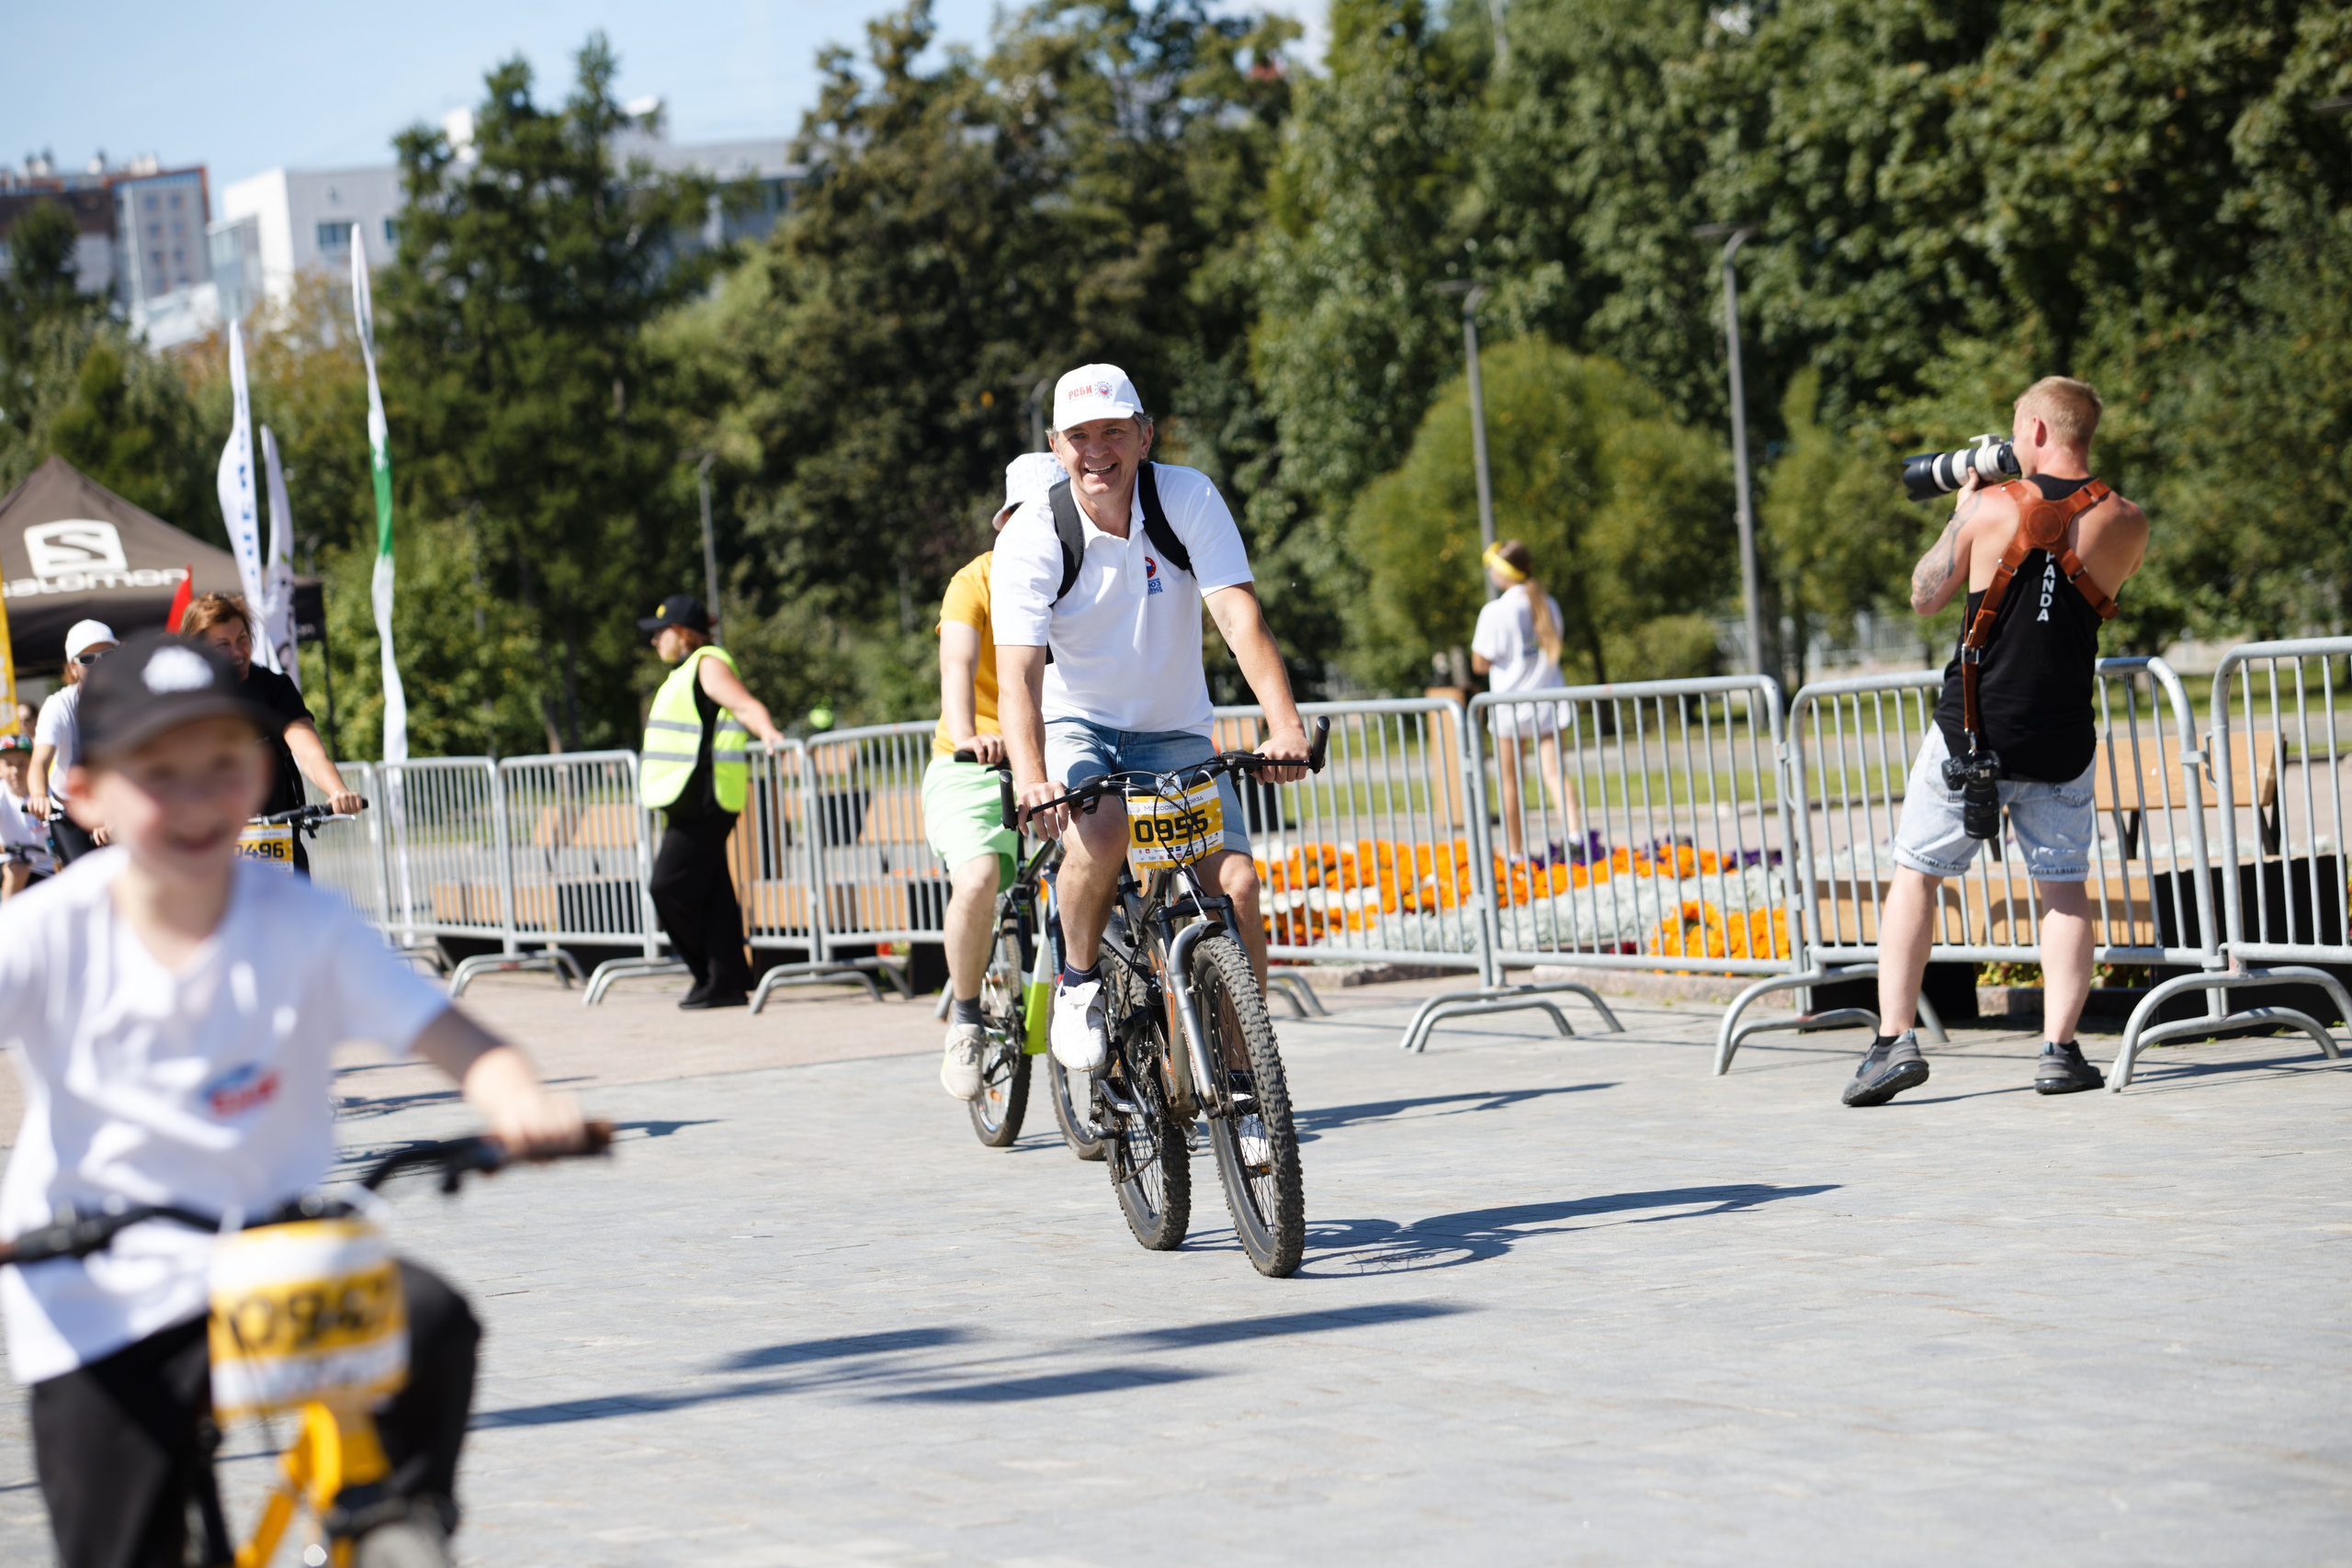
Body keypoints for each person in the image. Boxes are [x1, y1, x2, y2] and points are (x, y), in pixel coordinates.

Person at [0, 631, 588, 1567]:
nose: (198, 800)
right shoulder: (48, 934)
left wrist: (515, 1091)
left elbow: (449, 1034)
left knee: (430, 1322)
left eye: (222, 765)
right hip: (98, 1288)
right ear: (85, 795)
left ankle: (392, 1523)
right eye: (160, 774)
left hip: (274, 1263)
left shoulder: (297, 918)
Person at [993, 365, 1312, 1074]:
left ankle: (1241, 1077)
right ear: (1056, 443)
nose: (1096, 450)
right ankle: (1078, 981)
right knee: (1101, 829)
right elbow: (1018, 670)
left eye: (1113, 431)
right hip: (1080, 725)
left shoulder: (1185, 497)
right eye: (1079, 436)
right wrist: (1034, 776)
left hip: (1174, 734)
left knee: (1236, 885)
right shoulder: (1036, 532)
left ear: (1145, 435)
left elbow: (1237, 614)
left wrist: (1284, 726)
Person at [1847, 376, 2148, 1106]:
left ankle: (1893, 1041)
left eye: (2017, 430)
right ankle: (2059, 1050)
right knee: (2063, 887)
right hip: (2062, 737)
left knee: (1916, 873)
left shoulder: (1987, 508)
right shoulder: (2128, 520)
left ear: (2039, 431)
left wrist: (1960, 515)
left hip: (1971, 731)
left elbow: (1925, 595)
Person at [929, 452, 1065, 1100]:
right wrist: (968, 734)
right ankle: (965, 1014)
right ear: (1003, 523)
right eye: (1027, 521)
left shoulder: (1085, 574)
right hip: (975, 754)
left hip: (1061, 746)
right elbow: (957, 664)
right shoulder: (973, 581)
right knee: (981, 874)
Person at [637, 594, 788, 1009]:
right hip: (693, 798)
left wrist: (769, 733)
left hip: (706, 799)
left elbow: (743, 704)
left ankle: (710, 974)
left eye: (660, 633)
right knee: (713, 892)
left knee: (667, 887)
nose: (654, 642)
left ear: (683, 633)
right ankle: (724, 982)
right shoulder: (686, 669)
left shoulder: (707, 662)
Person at [178, 594, 362, 875]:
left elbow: (309, 752)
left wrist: (337, 790)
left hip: (277, 841)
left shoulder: (274, 688)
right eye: (222, 645)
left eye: (242, 639)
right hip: (208, 848)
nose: (238, 651)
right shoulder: (178, 700)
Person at [1471, 539, 1586, 864]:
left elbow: (1479, 663)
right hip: (1548, 699)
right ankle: (1575, 835)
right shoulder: (1547, 603)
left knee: (1511, 782)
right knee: (1555, 773)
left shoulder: (1494, 611)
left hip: (1510, 706)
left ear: (1504, 571)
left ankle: (1516, 853)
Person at [29, 621, 118, 867]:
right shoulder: (58, 705)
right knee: (83, 878)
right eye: (88, 659)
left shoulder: (128, 700)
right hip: (69, 812)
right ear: (73, 668)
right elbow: (39, 760)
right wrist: (38, 795)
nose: (99, 664)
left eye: (107, 655)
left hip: (115, 804)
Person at [0, 731, 56, 897]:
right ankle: (7, 921)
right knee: (15, 872)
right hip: (14, 863)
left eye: (22, 763)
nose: (15, 770)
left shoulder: (48, 792)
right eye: (8, 764)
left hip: (49, 865)